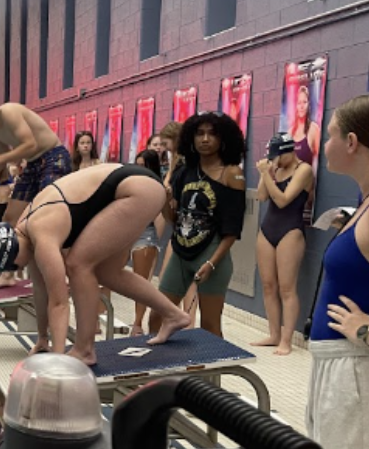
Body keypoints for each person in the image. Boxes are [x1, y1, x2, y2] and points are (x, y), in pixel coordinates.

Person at [0, 163, 190, 366]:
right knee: (108, 273)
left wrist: (57, 360)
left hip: (136, 190)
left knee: (78, 265)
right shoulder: (26, 232)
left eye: (14, 266)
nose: (17, 269)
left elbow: (58, 302)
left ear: (14, 251)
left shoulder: (41, 233)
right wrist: (42, 339)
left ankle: (85, 350)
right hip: (137, 187)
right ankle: (174, 315)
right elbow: (40, 290)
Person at [305, 93, 369, 449]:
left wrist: (364, 330)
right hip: (339, 368)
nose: (323, 143)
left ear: (351, 141)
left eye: (328, 134)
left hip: (356, 370)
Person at [0, 97, 72, 290]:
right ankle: (7, 274)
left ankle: (64, 272)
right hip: (33, 164)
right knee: (10, 220)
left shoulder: (9, 112)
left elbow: (30, 144)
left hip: (54, 156)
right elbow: (2, 161)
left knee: (51, 217)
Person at [152, 112, 246, 339]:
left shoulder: (231, 174)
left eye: (212, 134)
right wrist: (165, 202)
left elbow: (232, 230)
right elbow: (175, 219)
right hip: (181, 253)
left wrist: (212, 264)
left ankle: (210, 375)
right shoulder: (185, 172)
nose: (205, 139)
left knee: (210, 326)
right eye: (200, 133)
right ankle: (162, 371)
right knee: (157, 316)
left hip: (212, 254)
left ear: (223, 139)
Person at [252, 133, 314, 355]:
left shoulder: (304, 170)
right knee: (268, 285)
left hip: (291, 230)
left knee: (287, 288)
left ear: (290, 150)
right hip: (268, 228)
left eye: (278, 155)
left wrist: (265, 174)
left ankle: (286, 340)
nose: (275, 160)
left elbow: (283, 199)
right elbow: (262, 197)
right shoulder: (274, 170)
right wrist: (267, 173)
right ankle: (274, 334)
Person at [129, 149, 166, 336]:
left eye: (143, 166)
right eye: (137, 165)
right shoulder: (131, 183)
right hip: (127, 232)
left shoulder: (156, 187)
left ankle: (137, 323)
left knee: (141, 281)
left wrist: (155, 243)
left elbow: (159, 217)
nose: (139, 169)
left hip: (145, 233)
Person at [288, 85, 322, 167]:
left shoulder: (314, 129)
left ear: (308, 104)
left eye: (304, 102)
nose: (302, 106)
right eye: (299, 103)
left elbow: (319, 162)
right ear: (295, 106)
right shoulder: (290, 132)